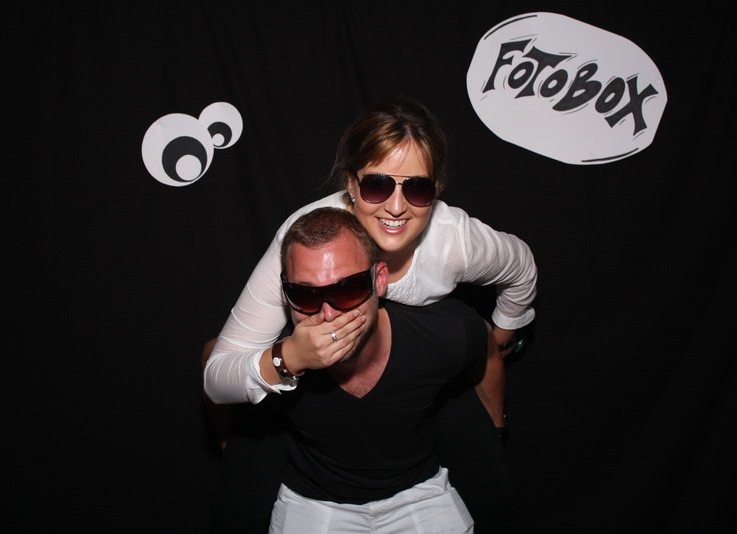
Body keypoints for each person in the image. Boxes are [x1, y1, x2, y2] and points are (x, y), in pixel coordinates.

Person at [204, 96, 530, 532]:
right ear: (351, 185)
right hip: (316, 414)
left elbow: (521, 269)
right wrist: (290, 357)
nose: (396, 207)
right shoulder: (308, 242)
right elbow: (218, 372)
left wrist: (505, 332)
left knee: (491, 488)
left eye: (417, 188)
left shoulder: (456, 242)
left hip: (414, 372)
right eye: (377, 185)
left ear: (436, 191)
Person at [205, 207, 501, 533]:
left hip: (419, 493)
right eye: (304, 294)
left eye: (347, 290)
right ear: (285, 293)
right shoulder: (277, 351)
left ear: (380, 280)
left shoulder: (439, 334)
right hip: (313, 503)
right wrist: (287, 362)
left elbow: (485, 346)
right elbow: (213, 364)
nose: (328, 314)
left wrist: (497, 426)